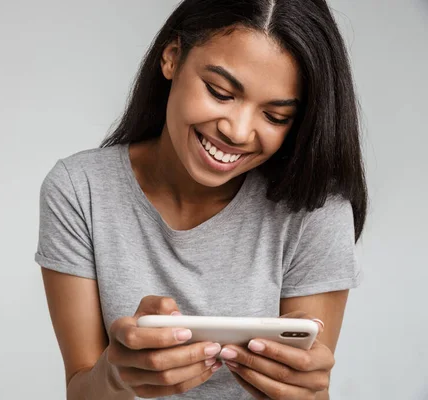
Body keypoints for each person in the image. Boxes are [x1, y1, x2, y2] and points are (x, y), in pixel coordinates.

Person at [36, 0, 367, 398]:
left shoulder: (315, 210)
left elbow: (308, 385)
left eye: (275, 116)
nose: (238, 132)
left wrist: (308, 394)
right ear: (172, 57)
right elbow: (81, 390)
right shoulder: (80, 188)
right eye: (220, 92)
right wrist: (115, 374)